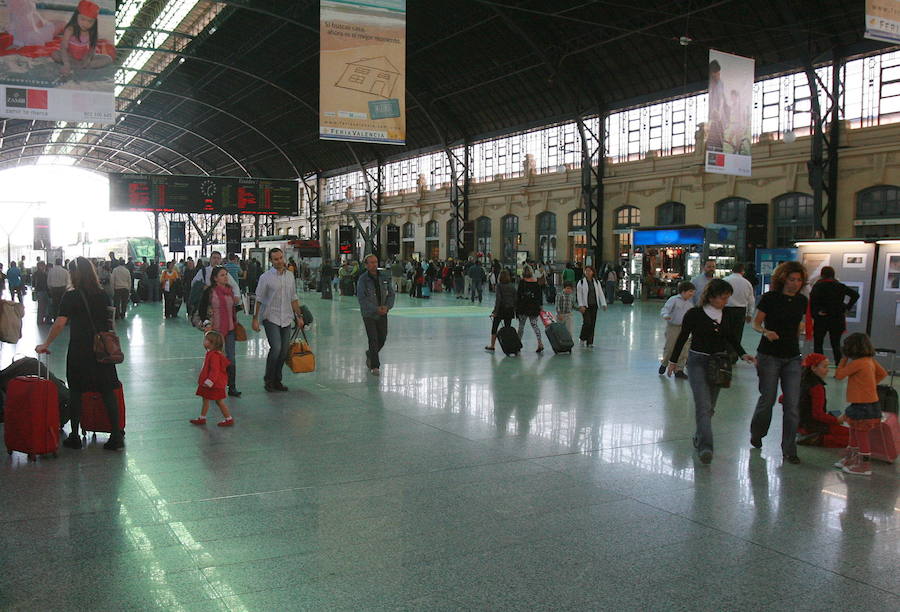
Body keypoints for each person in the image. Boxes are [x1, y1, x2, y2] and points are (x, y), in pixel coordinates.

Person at [36, 257, 123, 451]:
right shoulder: (103, 294)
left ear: (75, 274)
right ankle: (116, 435)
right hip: (102, 348)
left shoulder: (71, 296)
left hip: (80, 349)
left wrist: (46, 343)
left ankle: (74, 436)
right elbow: (110, 320)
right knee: (107, 390)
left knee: (76, 391)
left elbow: (59, 323)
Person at [667, 279, 754, 464]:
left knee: (709, 408)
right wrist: (673, 361)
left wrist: (743, 354)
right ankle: (706, 447)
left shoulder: (727, 315)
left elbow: (731, 337)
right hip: (697, 361)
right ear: (712, 297)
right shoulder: (695, 314)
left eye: (727, 299)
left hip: (719, 363)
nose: (725, 302)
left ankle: (699, 435)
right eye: (723, 298)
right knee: (703, 405)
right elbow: (683, 337)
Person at [749, 261, 808, 464]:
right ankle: (757, 433)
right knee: (768, 399)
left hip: (792, 356)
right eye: (792, 279)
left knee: (792, 405)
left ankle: (789, 449)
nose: (795, 283)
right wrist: (766, 332)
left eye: (799, 280)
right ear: (783, 279)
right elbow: (755, 324)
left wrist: (802, 327)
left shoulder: (802, 301)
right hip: (769, 355)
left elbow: (800, 322)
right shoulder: (770, 298)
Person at [833, 333, 888, 476]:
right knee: (854, 430)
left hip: (862, 405)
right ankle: (852, 458)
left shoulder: (857, 363)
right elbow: (883, 374)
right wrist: (869, 386)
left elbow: (839, 375)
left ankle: (864, 465)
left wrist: (843, 360)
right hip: (868, 404)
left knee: (860, 435)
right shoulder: (870, 360)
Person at [252, 248, 305, 392]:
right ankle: (268, 380)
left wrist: (298, 317)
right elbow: (259, 299)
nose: (280, 261)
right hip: (271, 317)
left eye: (281, 258)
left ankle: (277, 380)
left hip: (286, 317)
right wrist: (255, 319)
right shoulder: (265, 277)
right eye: (276, 259)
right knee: (276, 348)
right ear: (270, 261)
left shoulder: (290, 276)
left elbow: (293, 298)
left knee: (284, 351)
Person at [196, 266, 242, 397]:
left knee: (231, 359)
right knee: (215, 361)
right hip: (215, 332)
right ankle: (214, 386)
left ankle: (232, 387)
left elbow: (233, 308)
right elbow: (202, 309)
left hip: (230, 329)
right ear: (215, 278)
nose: (225, 277)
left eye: (226, 274)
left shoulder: (230, 291)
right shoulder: (210, 292)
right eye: (222, 275)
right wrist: (206, 322)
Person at [795, 353, 848, 448]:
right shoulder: (817, 387)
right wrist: (836, 420)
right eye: (824, 367)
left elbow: (782, 399)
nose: (827, 370)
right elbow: (818, 414)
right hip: (813, 426)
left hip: (800, 424)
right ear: (813, 368)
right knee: (853, 438)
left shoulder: (800, 381)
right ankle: (817, 438)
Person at [810, 266, 860, 364]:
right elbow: (855, 295)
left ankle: (819, 366)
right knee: (836, 344)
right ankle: (839, 367)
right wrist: (847, 307)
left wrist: (816, 313)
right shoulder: (840, 286)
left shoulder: (818, 286)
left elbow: (813, 302)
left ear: (822, 275)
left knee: (818, 344)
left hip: (822, 318)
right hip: (837, 318)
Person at [51, 1, 113, 79]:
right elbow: (63, 47)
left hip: (84, 57)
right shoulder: (70, 29)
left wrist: (88, 58)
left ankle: (77, 66)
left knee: (108, 59)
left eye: (90, 21)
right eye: (83, 19)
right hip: (70, 57)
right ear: (76, 16)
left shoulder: (91, 31)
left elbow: (92, 48)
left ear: (94, 22)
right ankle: (77, 66)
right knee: (55, 54)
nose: (86, 24)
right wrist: (66, 63)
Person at [357, 254, 395, 376]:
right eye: (371, 262)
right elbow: (362, 298)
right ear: (366, 265)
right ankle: (375, 366)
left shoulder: (384, 276)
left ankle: (371, 354)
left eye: (376, 262)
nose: (374, 265)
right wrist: (375, 309)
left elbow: (391, 294)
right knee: (373, 339)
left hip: (383, 312)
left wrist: (387, 307)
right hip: (369, 314)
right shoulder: (362, 279)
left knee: (382, 338)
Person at [190, 330, 234, 427]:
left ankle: (228, 418)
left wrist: (209, 381)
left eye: (206, 340)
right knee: (205, 399)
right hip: (211, 383)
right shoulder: (211, 353)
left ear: (212, 343)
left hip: (214, 384)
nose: (204, 341)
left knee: (219, 401)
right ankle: (202, 418)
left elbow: (215, 371)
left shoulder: (214, 356)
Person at [659, 281, 695, 379]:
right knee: (670, 347)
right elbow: (665, 309)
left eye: (693, 292)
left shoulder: (690, 304)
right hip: (673, 327)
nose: (692, 294)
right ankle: (664, 363)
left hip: (684, 329)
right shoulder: (673, 300)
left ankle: (679, 369)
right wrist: (666, 315)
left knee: (684, 349)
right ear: (683, 291)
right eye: (690, 291)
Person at [723, 263, 756, 360]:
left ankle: (726, 353)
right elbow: (751, 300)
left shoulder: (725, 280)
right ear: (743, 271)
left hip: (726, 309)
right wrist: (749, 314)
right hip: (740, 311)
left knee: (726, 332)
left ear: (731, 270)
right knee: (737, 333)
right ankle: (735, 354)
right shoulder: (747, 283)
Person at [575, 265, 607, 348]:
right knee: (587, 323)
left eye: (589, 271)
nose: (588, 272)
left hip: (594, 305)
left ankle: (590, 342)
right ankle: (582, 338)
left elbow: (600, 293)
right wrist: (581, 305)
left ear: (593, 272)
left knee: (592, 324)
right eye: (586, 271)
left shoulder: (596, 282)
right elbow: (579, 295)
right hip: (585, 306)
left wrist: (603, 303)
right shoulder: (581, 282)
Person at [485, 270, 517, 351]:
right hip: (510, 309)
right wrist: (515, 310)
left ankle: (492, 345)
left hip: (501, 309)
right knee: (507, 328)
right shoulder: (512, 286)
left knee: (495, 327)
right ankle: (510, 346)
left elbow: (498, 299)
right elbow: (515, 299)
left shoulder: (499, 286)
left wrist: (495, 312)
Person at [516, 265, 544, 353]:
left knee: (521, 326)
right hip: (534, 307)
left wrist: (516, 308)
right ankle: (540, 343)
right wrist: (540, 307)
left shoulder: (522, 282)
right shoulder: (536, 283)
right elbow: (540, 297)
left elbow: (518, 296)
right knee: (535, 325)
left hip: (523, 307)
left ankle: (518, 344)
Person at [32, 260, 49, 325]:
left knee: (42, 306)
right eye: (43, 265)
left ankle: (40, 320)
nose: (44, 266)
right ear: (40, 266)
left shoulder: (36, 273)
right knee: (42, 306)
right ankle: (41, 320)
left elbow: (33, 283)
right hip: (42, 291)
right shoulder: (42, 274)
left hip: (39, 291)